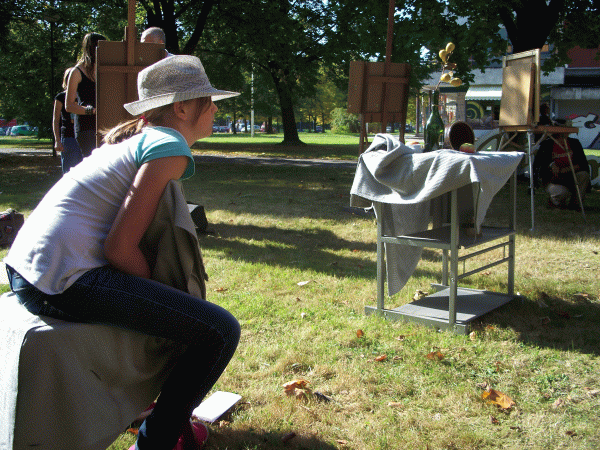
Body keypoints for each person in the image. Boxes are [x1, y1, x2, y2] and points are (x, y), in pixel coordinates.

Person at [4, 55, 241, 450]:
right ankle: (155, 443)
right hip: (62, 280)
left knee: (192, 321)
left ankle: (151, 415)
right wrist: (155, 293)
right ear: (183, 108)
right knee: (219, 331)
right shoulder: (169, 143)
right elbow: (119, 248)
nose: (215, 109)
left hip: (26, 269)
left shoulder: (140, 139)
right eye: (209, 100)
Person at [66, 32, 106, 157]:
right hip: (86, 127)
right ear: (92, 48)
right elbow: (69, 106)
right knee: (92, 161)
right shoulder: (77, 72)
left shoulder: (105, 68)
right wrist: (93, 111)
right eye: (100, 47)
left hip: (106, 124)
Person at [533, 132, 590, 210]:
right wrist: (551, 165)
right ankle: (555, 202)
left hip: (571, 175)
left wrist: (566, 169)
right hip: (553, 179)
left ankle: (576, 204)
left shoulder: (574, 142)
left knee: (584, 175)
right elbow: (539, 163)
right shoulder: (547, 143)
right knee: (561, 192)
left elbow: (582, 163)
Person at [53, 67, 83, 173]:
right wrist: (57, 141)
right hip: (68, 138)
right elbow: (56, 120)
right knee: (69, 172)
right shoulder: (60, 97)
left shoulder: (83, 96)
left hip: (84, 136)